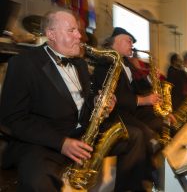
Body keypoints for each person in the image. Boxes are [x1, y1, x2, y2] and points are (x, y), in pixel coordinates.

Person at [0, 10, 144, 192]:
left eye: (78, 30)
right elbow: (12, 118)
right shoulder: (23, 63)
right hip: (45, 141)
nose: (79, 36)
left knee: (136, 137)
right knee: (37, 179)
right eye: (72, 31)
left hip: (83, 133)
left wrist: (98, 102)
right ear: (51, 34)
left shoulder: (80, 64)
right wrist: (61, 143)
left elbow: (84, 101)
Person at [92, 27, 168, 191]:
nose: (132, 44)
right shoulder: (105, 63)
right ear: (115, 42)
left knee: (160, 120)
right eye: (129, 40)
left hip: (128, 110)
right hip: (114, 112)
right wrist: (144, 100)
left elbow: (136, 87)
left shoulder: (126, 62)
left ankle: (149, 171)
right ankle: (134, 182)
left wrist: (149, 79)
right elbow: (117, 97)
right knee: (143, 134)